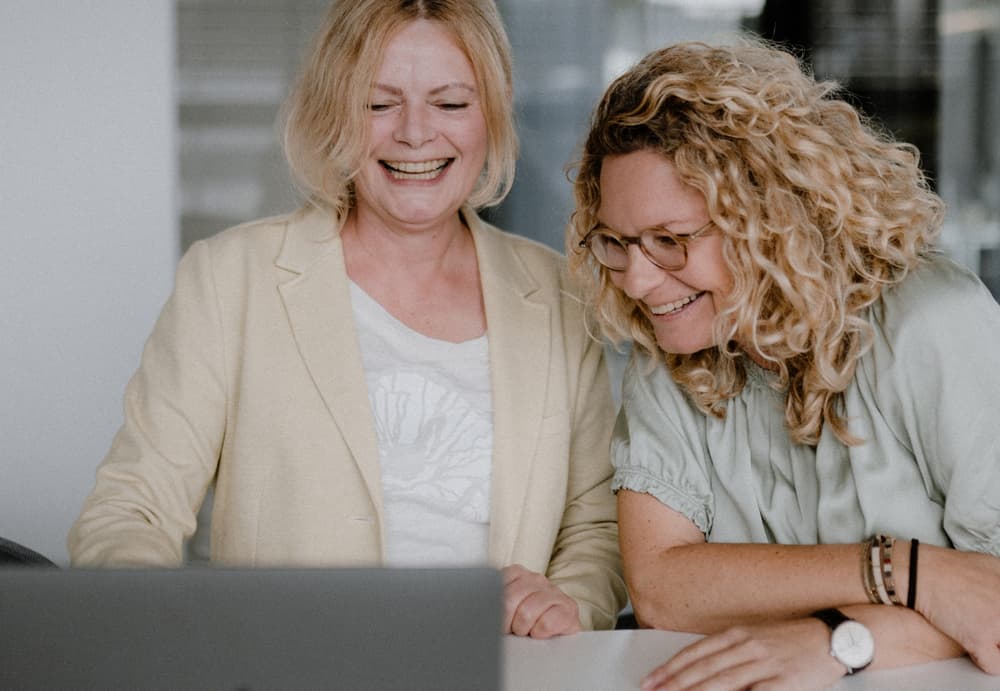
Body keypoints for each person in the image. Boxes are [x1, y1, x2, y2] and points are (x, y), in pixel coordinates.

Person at [69, 0, 626, 639]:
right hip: (282, 670)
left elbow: (595, 526)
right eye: (378, 103)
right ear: (335, 111)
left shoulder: (560, 292)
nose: (416, 134)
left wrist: (565, 610)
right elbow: (132, 510)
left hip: (504, 673)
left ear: (492, 116)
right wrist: (167, 634)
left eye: (450, 104)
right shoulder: (230, 279)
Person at [568, 38, 1000, 688]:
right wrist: (907, 571)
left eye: (670, 241)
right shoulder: (674, 348)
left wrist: (837, 640)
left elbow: (989, 601)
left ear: (769, 216)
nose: (637, 281)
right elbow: (660, 585)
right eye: (617, 242)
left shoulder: (933, 323)